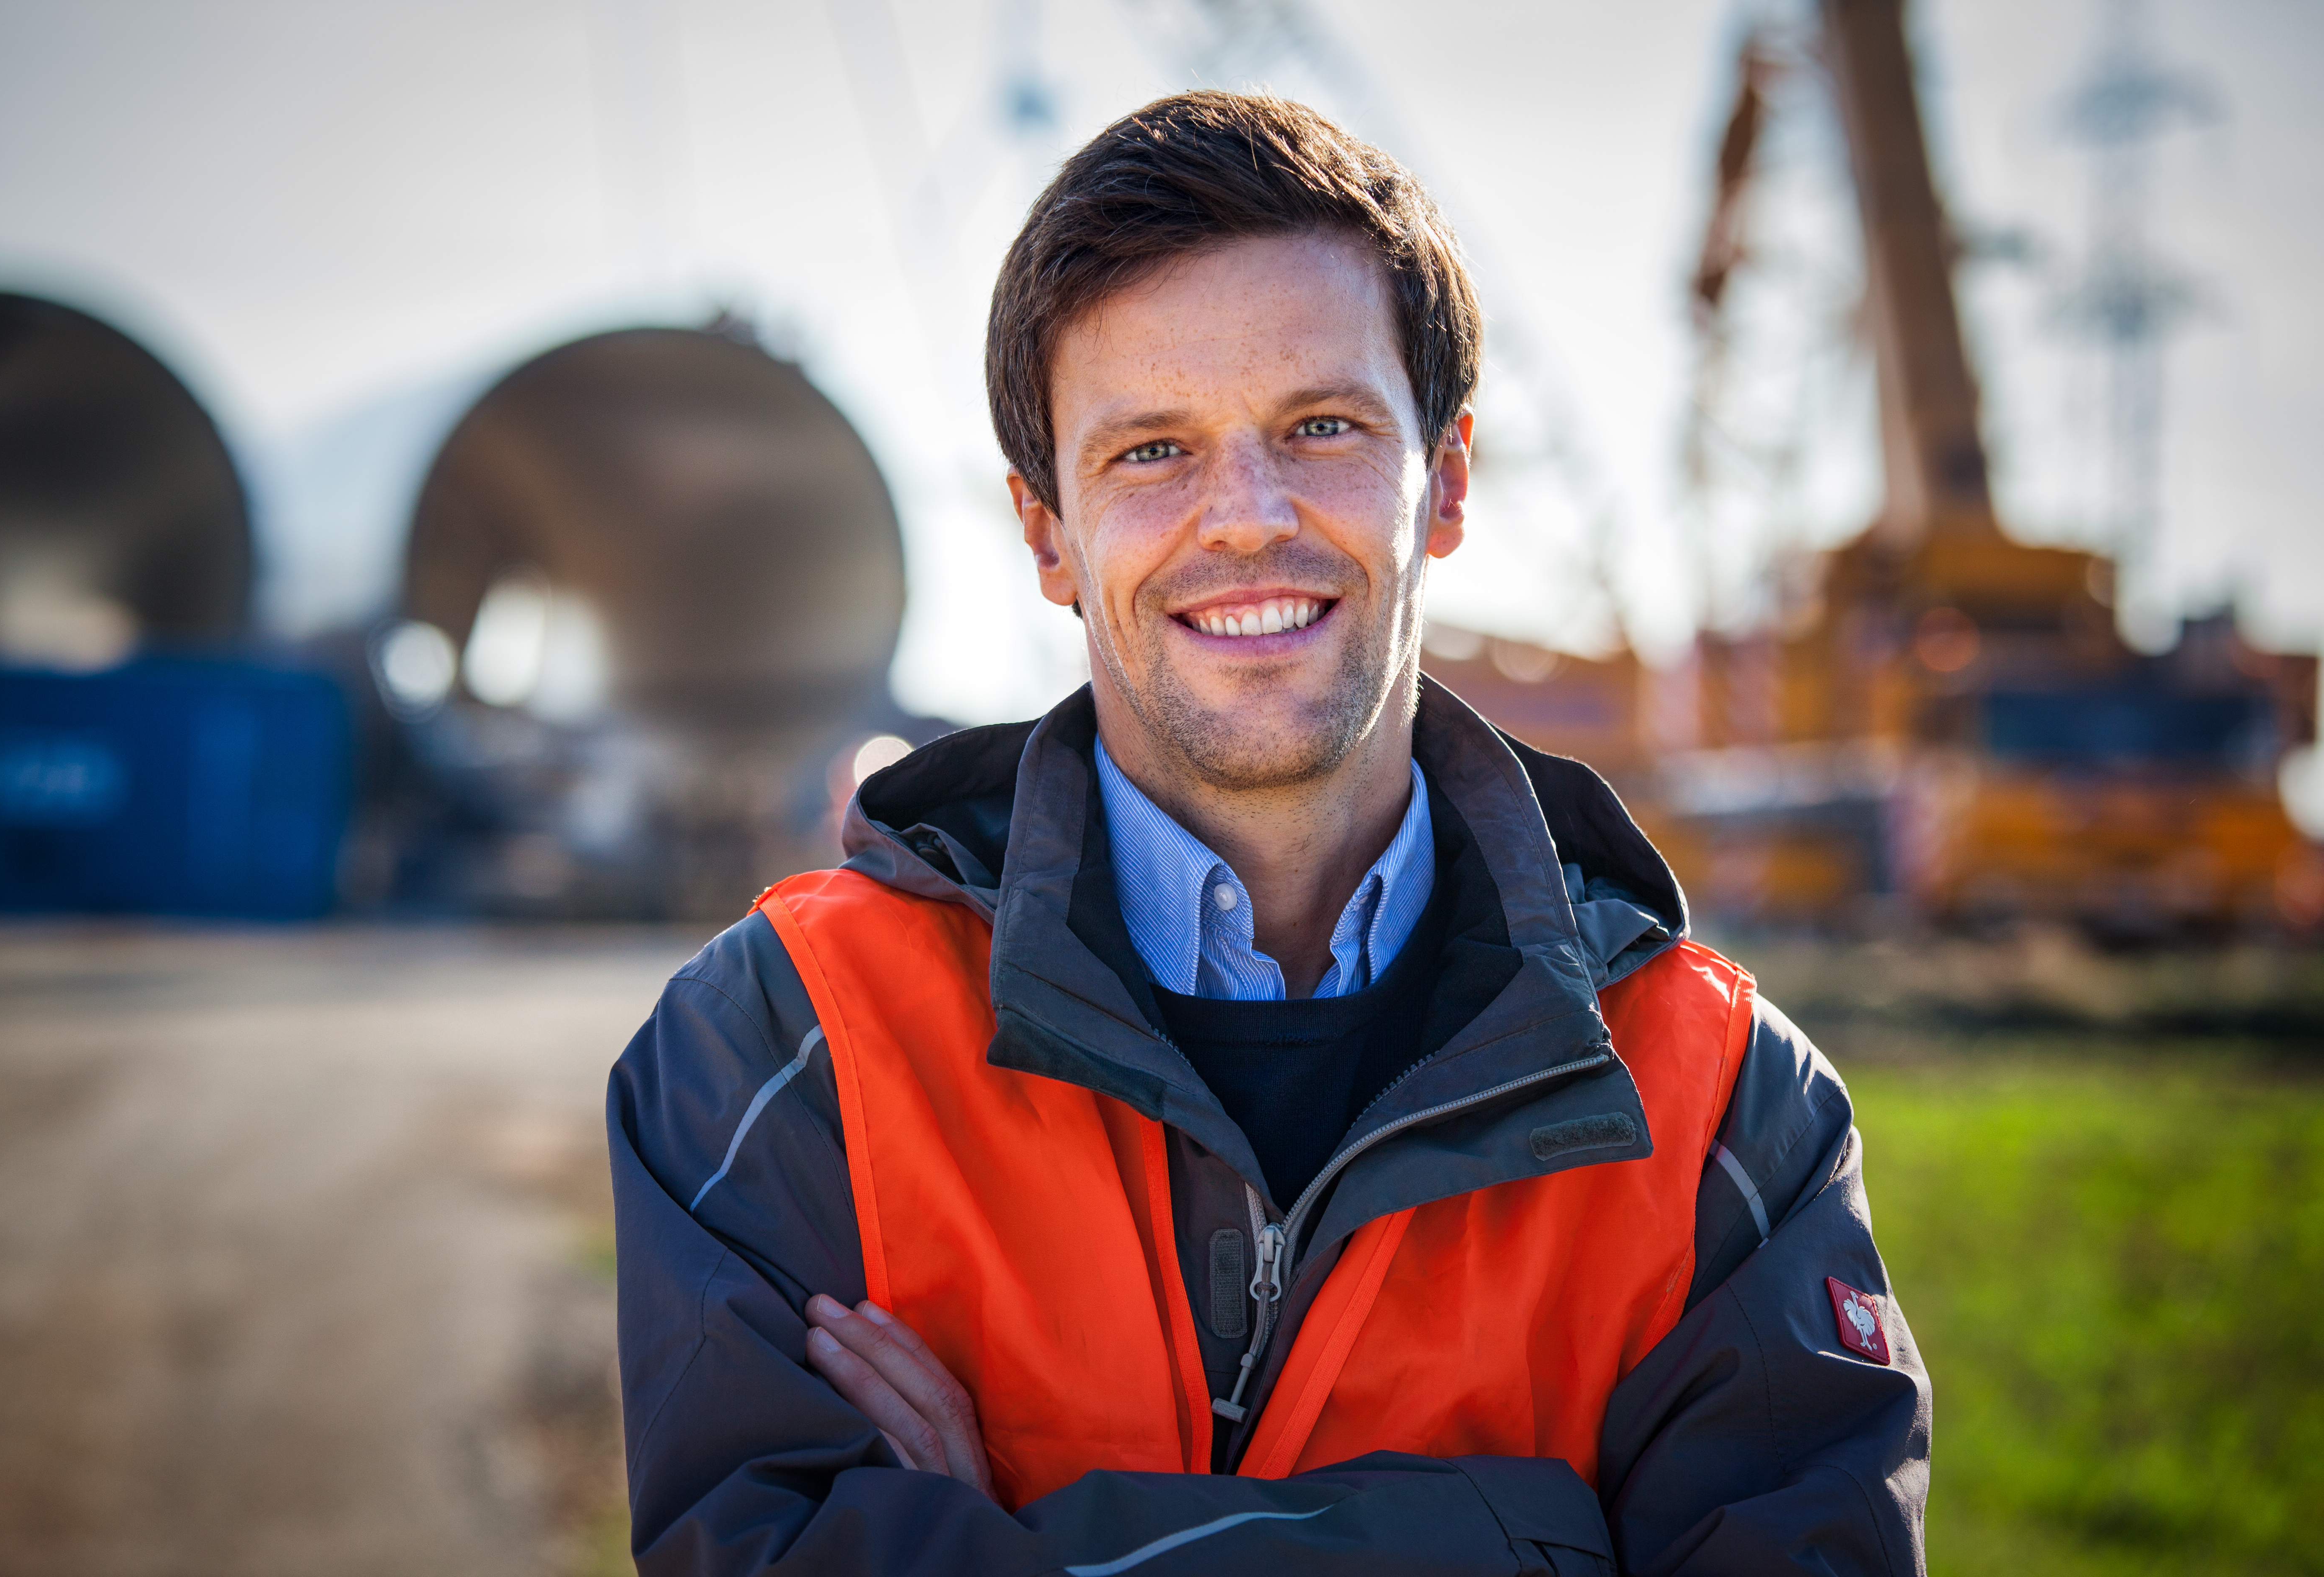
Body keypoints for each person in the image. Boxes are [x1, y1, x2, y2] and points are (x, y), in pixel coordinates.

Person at [608, 91, 1929, 1576]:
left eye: (1320, 426)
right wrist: (1540, 1542)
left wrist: (1018, 1546)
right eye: (1152, 452)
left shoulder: (1730, 1118)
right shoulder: (779, 1045)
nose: (1244, 518)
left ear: (1449, 482)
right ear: (1046, 533)